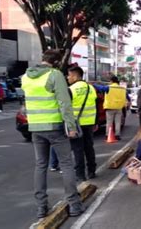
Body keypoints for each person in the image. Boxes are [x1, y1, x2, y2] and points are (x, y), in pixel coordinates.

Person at [21, 49, 84, 218]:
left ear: (43, 59)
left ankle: (41, 207)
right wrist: (71, 126)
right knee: (66, 164)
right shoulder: (55, 75)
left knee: (41, 165)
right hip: (55, 127)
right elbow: (65, 103)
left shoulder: (26, 77)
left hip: (35, 128)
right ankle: (74, 205)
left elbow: (27, 102)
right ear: (57, 62)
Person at [67, 66, 98, 181]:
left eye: (69, 75)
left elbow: (66, 108)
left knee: (77, 149)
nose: (68, 77)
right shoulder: (91, 88)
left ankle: (80, 174)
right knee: (89, 147)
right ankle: (92, 171)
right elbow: (94, 105)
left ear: (75, 76)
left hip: (76, 124)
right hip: (89, 123)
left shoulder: (70, 89)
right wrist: (96, 122)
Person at [98, 76, 127, 140]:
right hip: (119, 107)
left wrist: (94, 84)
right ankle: (117, 135)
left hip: (110, 107)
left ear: (111, 81)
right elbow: (126, 97)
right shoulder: (122, 88)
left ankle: (108, 135)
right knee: (118, 122)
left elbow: (100, 88)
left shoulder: (108, 87)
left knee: (109, 122)